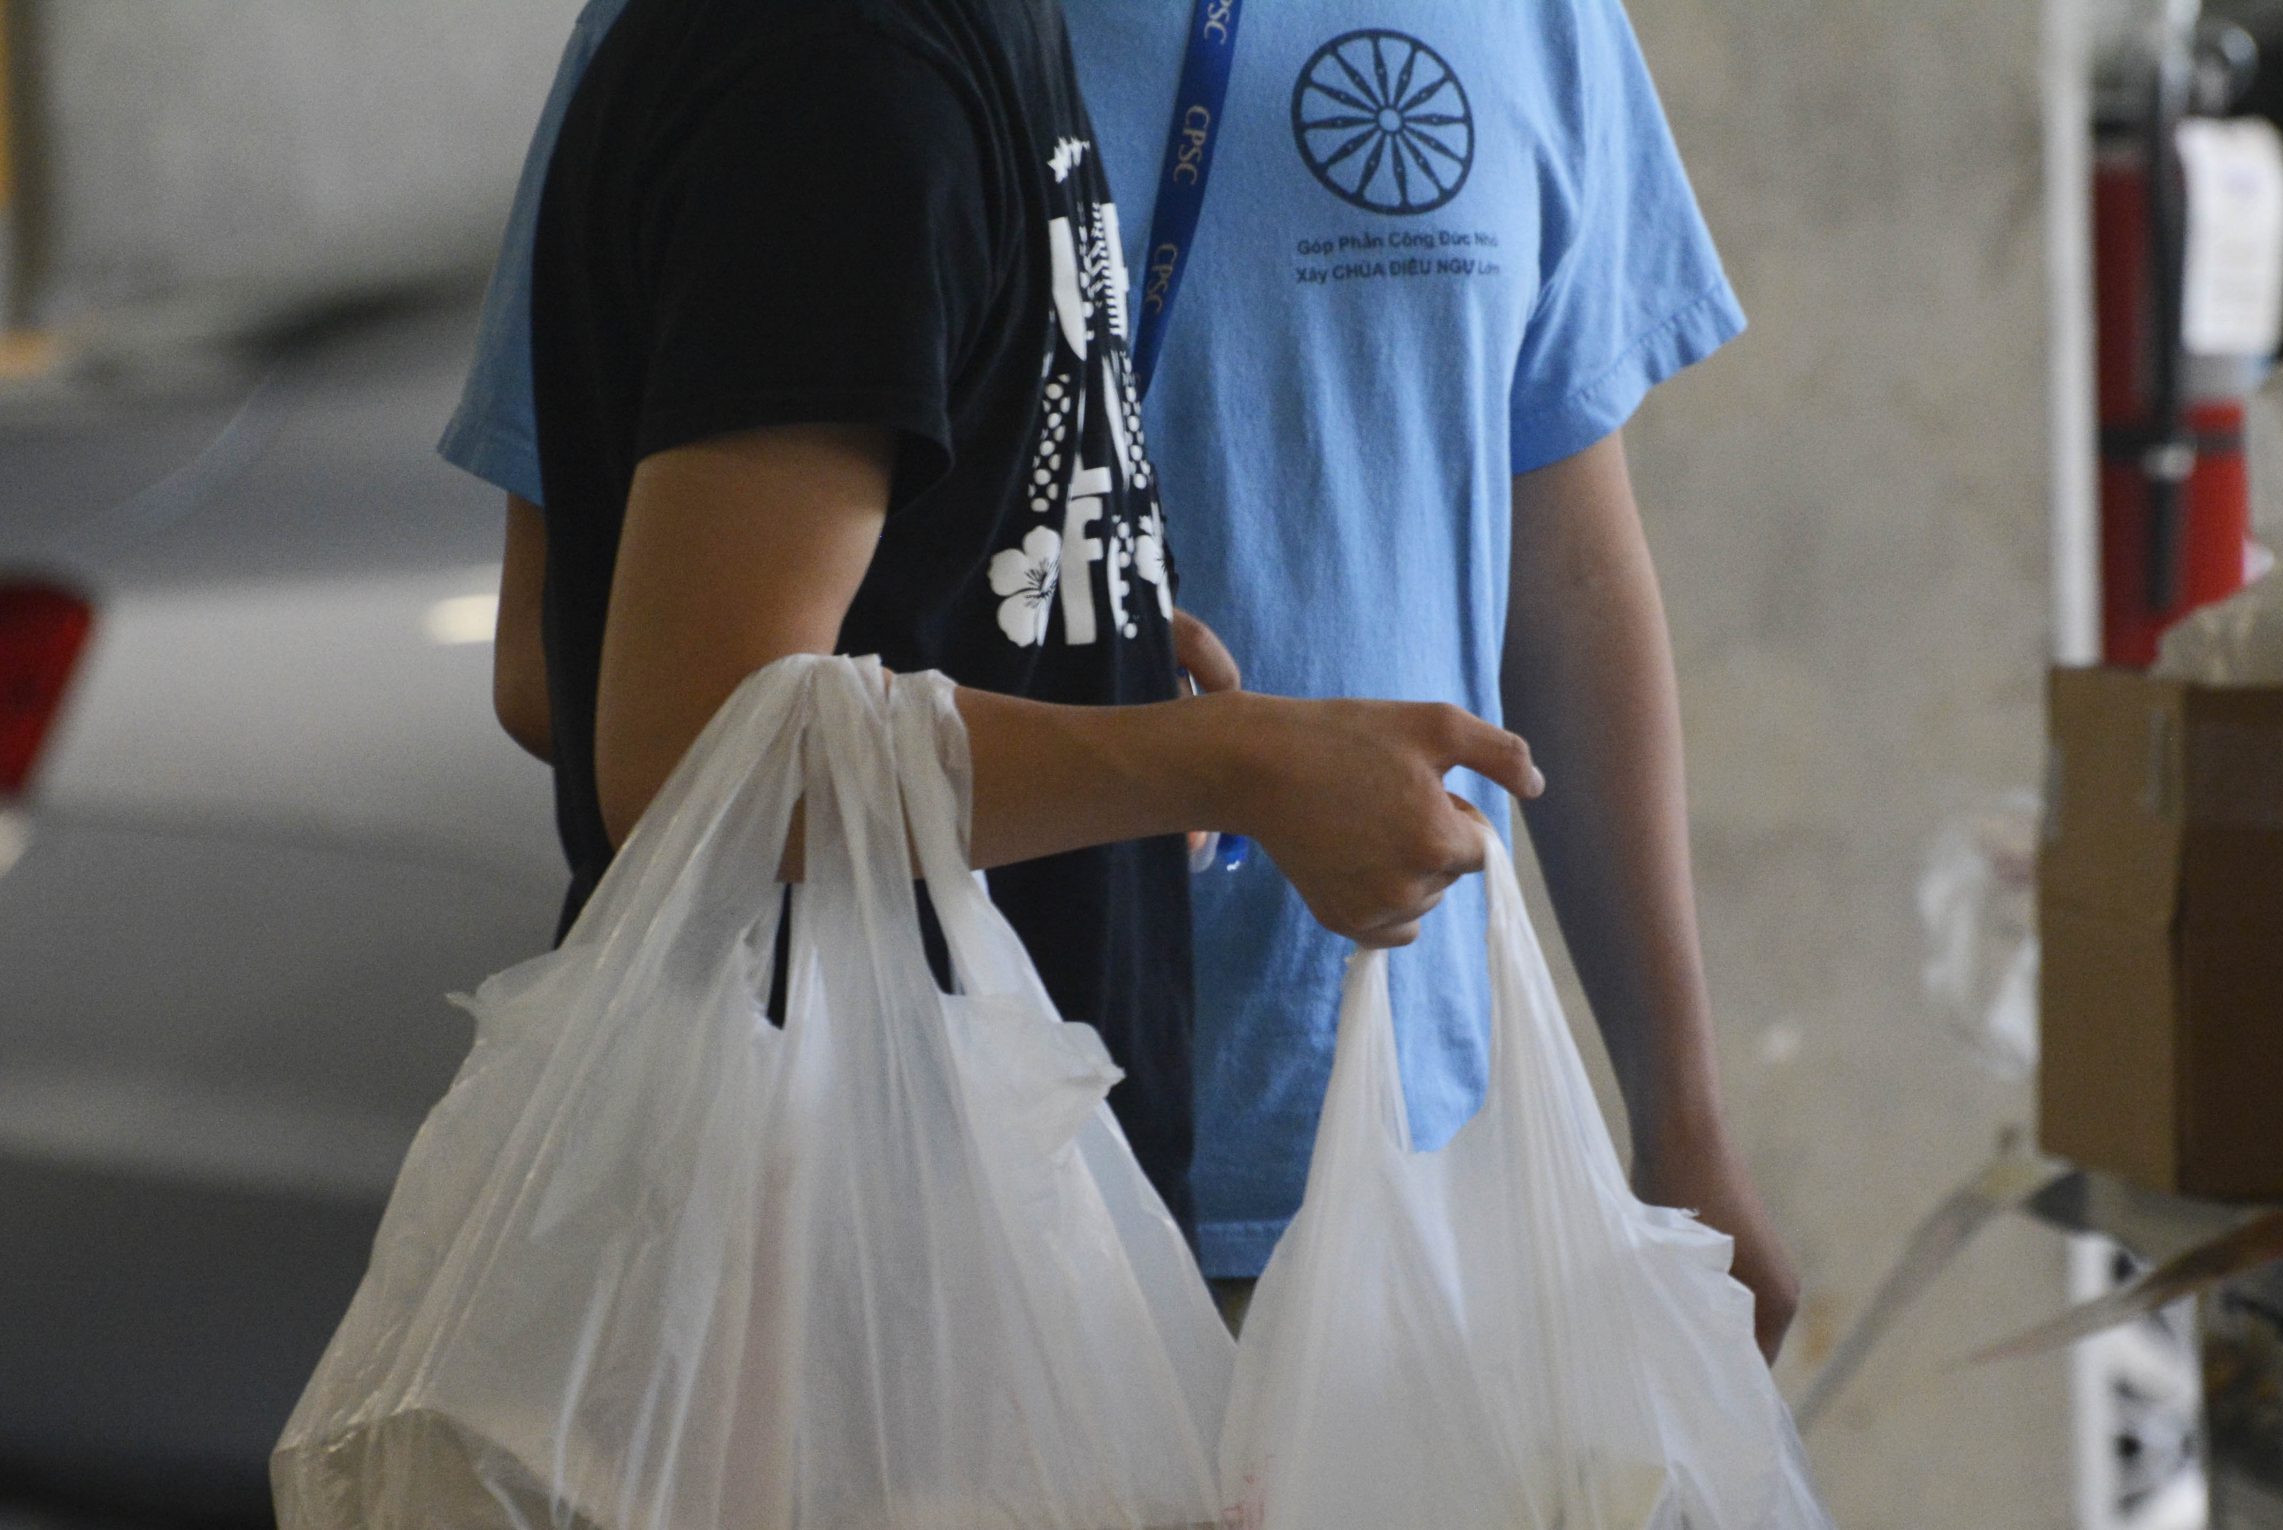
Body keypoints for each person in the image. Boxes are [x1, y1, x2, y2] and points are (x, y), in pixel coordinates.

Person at [450, 0, 1800, 1356]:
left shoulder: (1510, 22)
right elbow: (609, 687)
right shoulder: (822, 56)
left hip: (1377, 1152)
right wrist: (1170, 758)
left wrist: (1680, 1117)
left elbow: (1569, 582)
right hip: (893, 1174)